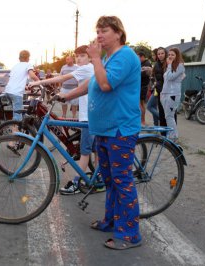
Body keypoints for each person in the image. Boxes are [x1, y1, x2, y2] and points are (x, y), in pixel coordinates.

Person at [57, 16, 142, 250]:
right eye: (97, 31)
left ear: (118, 33)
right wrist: (65, 96)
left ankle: (130, 233)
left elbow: (106, 84)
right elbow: (92, 83)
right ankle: (111, 220)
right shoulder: (106, 57)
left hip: (120, 129)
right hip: (104, 129)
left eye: (104, 31)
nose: (99, 36)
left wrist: (94, 58)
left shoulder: (125, 56)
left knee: (122, 181)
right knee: (109, 180)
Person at [29, 45, 99, 195]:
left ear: (89, 57)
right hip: (91, 114)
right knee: (96, 150)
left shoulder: (86, 68)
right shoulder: (90, 68)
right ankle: (98, 178)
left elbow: (63, 78)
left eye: (82, 56)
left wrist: (37, 82)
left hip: (88, 116)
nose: (79, 58)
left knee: (85, 152)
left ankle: (76, 184)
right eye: (77, 56)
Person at [5, 50, 39, 123]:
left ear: (19, 58)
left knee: (18, 111)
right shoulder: (28, 65)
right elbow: (32, 75)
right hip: (16, 93)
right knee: (17, 118)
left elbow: (12, 79)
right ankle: (15, 133)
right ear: (28, 58)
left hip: (8, 91)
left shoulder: (15, 66)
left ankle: (9, 126)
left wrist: (25, 87)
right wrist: (41, 83)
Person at [160, 47, 185, 141]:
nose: (170, 56)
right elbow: (166, 80)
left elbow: (171, 77)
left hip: (173, 94)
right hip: (165, 94)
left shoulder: (180, 66)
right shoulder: (169, 67)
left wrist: (169, 65)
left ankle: (173, 136)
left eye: (172, 55)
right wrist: (162, 94)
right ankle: (171, 135)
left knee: (169, 116)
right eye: (169, 54)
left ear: (177, 56)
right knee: (167, 116)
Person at [153, 47, 169, 133]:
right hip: (160, 91)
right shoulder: (156, 64)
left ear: (165, 53)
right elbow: (154, 76)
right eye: (158, 54)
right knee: (161, 112)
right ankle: (163, 133)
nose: (160, 55)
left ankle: (171, 132)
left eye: (162, 53)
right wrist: (155, 84)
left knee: (169, 113)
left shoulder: (168, 63)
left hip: (169, 92)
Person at [137, 51, 152, 126]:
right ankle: (141, 120)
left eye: (138, 57)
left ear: (142, 56)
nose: (137, 59)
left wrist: (136, 72)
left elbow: (145, 75)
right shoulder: (142, 63)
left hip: (143, 86)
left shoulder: (147, 64)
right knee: (140, 104)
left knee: (141, 104)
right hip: (141, 86)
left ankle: (142, 121)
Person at [146, 49, 159, 126]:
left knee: (149, 106)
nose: (153, 56)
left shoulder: (158, 64)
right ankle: (156, 125)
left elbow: (157, 77)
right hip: (155, 89)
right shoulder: (156, 64)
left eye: (154, 55)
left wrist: (152, 76)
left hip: (157, 89)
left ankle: (162, 118)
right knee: (154, 106)